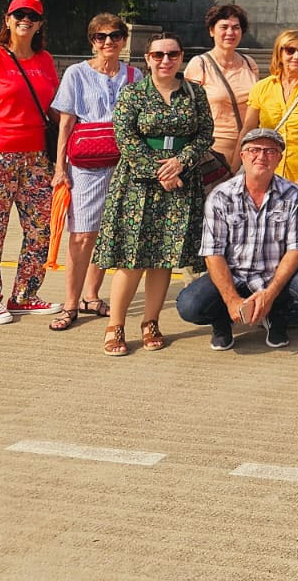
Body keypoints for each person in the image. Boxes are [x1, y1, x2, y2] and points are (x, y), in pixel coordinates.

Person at [94, 33, 213, 356]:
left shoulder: (194, 93)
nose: (165, 60)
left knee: (164, 257)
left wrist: (181, 163)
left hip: (181, 179)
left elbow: (204, 134)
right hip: (138, 182)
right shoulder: (133, 93)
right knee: (132, 258)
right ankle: (115, 325)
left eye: (172, 54)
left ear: (181, 57)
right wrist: (158, 171)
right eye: (158, 55)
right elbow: (125, 137)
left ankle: (151, 321)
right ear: (147, 59)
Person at [175, 126, 298, 350]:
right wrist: (230, 300)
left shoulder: (293, 195)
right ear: (243, 156)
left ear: (279, 159)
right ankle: (222, 320)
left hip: (272, 274)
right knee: (189, 305)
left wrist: (270, 294)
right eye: (254, 149)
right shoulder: (221, 196)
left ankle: (275, 314)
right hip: (233, 274)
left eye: (270, 151)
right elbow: (212, 253)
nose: (261, 156)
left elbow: (297, 250)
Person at [0, 0, 61, 324]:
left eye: (32, 16)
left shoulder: (45, 60)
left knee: (41, 228)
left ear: (41, 23)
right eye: (19, 15)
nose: (26, 20)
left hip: (35, 158)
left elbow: (54, 110)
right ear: (7, 20)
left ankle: (24, 295)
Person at [47, 12, 139, 331]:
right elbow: (66, 123)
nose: (108, 42)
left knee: (108, 231)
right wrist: (60, 167)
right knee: (83, 233)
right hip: (85, 164)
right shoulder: (76, 73)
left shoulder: (134, 75)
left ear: (123, 40)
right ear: (92, 41)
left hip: (123, 162)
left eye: (114, 35)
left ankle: (91, 294)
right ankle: (71, 302)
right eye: (100, 37)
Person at [242, 30, 298, 208]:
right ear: (280, 53)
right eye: (290, 50)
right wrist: (238, 167)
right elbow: (248, 130)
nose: (296, 56)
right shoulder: (262, 87)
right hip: (265, 172)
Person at [184, 4, 260, 172]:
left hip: (248, 149)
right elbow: (189, 112)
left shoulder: (250, 64)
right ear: (212, 31)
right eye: (224, 27)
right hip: (214, 151)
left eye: (236, 27)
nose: (230, 33)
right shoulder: (199, 65)